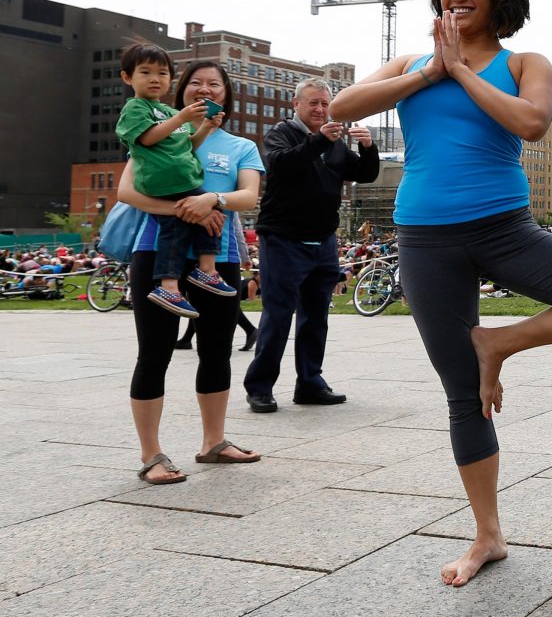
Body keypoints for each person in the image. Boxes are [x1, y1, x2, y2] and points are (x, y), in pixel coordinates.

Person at [331, 0, 552, 586]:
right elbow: (341, 109)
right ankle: (487, 535)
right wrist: (429, 73)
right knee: (463, 397)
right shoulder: (409, 63)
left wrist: (462, 72)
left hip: (506, 229)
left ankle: (497, 343)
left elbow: (533, 124)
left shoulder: (526, 63)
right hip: (425, 239)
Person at [118, 59, 264, 484]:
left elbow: (249, 196)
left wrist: (212, 201)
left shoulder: (241, 146)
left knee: (217, 350)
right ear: (180, 92)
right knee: (154, 353)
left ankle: (213, 442)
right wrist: (188, 210)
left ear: (225, 94)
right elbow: (127, 192)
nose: (205, 89)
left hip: (216, 260)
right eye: (195, 83)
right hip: (155, 253)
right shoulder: (157, 131)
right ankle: (151, 455)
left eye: (214, 84)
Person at [242, 78, 379, 413]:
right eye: (313, 103)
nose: (320, 109)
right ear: (296, 104)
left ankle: (310, 383)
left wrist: (368, 147)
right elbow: (282, 164)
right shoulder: (282, 133)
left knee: (316, 315)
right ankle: (260, 387)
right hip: (283, 238)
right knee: (278, 314)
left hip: (323, 239)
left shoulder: (333, 142)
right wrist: (319, 140)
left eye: (325, 104)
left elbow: (365, 174)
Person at [115, 42, 238, 318]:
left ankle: (206, 269)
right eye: (145, 72)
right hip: (161, 182)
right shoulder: (135, 109)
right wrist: (182, 116)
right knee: (175, 229)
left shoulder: (168, 112)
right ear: (127, 77)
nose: (155, 79)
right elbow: (148, 138)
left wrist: (205, 127)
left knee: (213, 212)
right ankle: (168, 286)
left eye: (162, 73)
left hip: (183, 181)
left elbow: (187, 145)